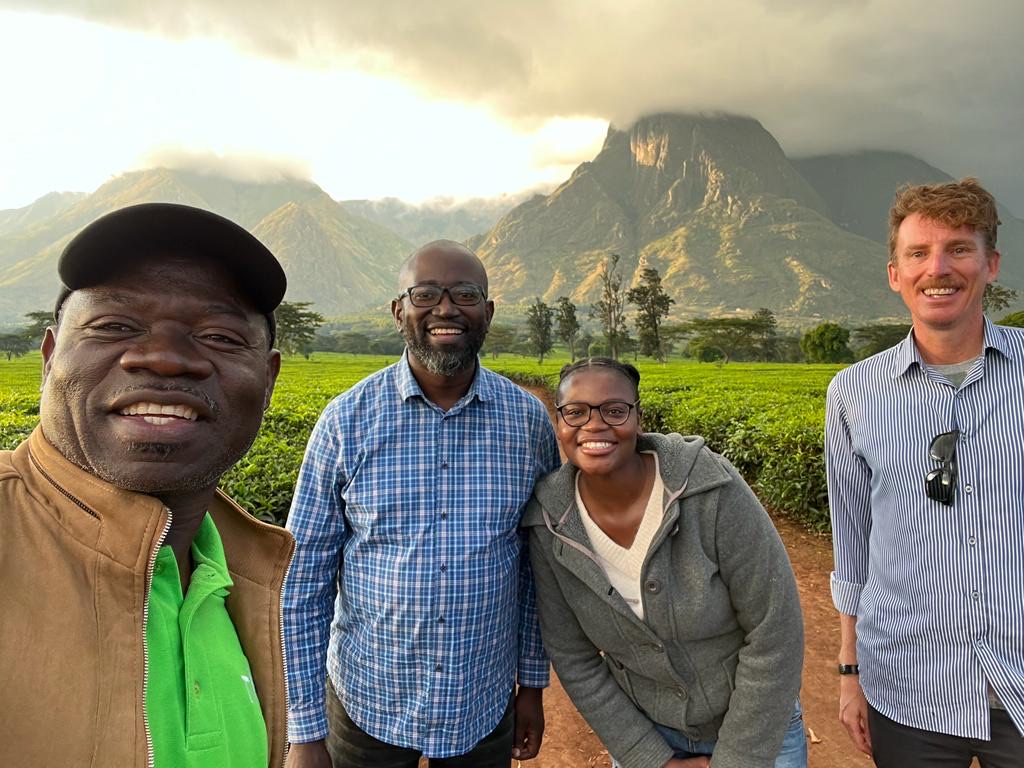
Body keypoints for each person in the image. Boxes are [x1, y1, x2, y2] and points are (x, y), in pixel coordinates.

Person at [0, 202, 294, 767]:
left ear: (268, 379)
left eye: (220, 335)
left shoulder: (243, 573)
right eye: (114, 326)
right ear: (49, 357)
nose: (163, 358)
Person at [283, 240, 559, 768]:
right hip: (368, 699)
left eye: (466, 294)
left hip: (483, 699)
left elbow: (535, 569)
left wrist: (532, 687)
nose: (446, 308)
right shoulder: (345, 422)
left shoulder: (527, 423)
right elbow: (303, 581)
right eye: (426, 293)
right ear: (398, 311)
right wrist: (305, 731)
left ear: (488, 312)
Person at [523, 357, 806, 768]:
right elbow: (574, 658)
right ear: (560, 425)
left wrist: (738, 759)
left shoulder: (711, 489)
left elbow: (775, 630)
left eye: (615, 411)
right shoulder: (550, 524)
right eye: (576, 412)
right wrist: (652, 760)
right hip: (649, 734)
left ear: (639, 418)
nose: (595, 425)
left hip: (759, 734)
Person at [827, 178, 1024, 766]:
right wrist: (848, 672)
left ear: (990, 264)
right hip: (910, 686)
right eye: (918, 253)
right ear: (895, 273)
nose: (938, 268)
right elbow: (853, 543)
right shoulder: (853, 393)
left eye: (959, 249)